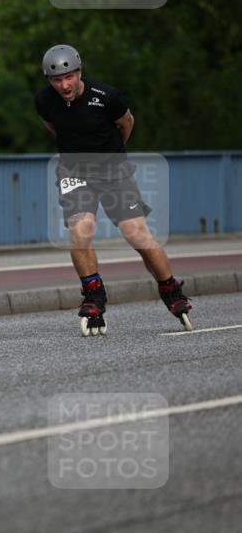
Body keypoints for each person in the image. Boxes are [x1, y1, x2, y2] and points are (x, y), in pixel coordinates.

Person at [35, 43, 192, 335]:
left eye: (69, 77)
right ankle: (93, 297)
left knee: (136, 232)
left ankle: (171, 290)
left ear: (80, 72)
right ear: (49, 80)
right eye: (57, 80)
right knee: (80, 229)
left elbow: (126, 124)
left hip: (113, 169)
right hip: (73, 170)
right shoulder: (44, 101)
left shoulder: (106, 97)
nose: (64, 84)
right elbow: (55, 128)